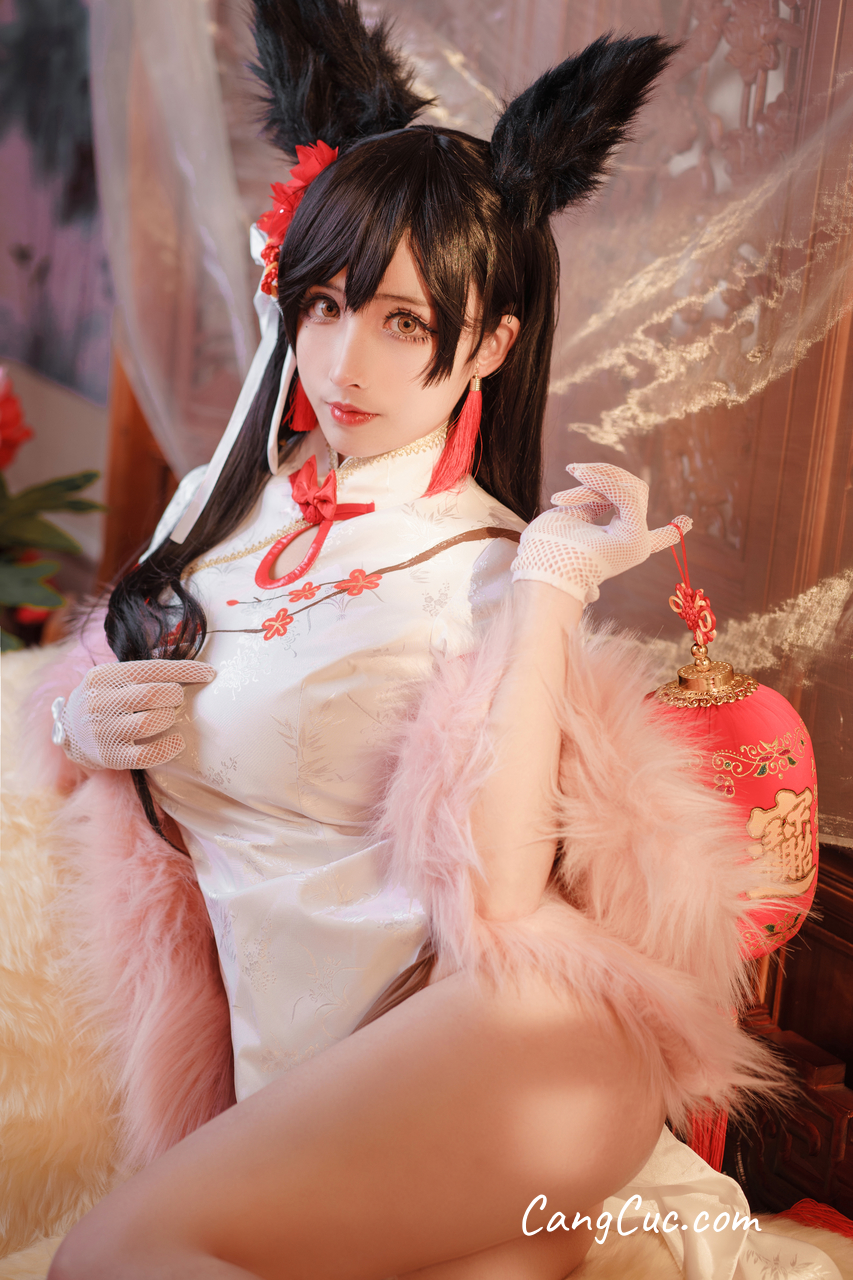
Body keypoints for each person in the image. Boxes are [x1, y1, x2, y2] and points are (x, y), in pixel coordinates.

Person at [40, 4, 839, 1278]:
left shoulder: (483, 565)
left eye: (403, 321)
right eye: (322, 305)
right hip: (325, 1102)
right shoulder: (218, 508)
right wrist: (78, 721)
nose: (344, 362)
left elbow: (506, 902)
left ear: (491, 342)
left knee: (104, 1258)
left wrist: (547, 590)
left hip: (512, 1049)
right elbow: (110, 724)